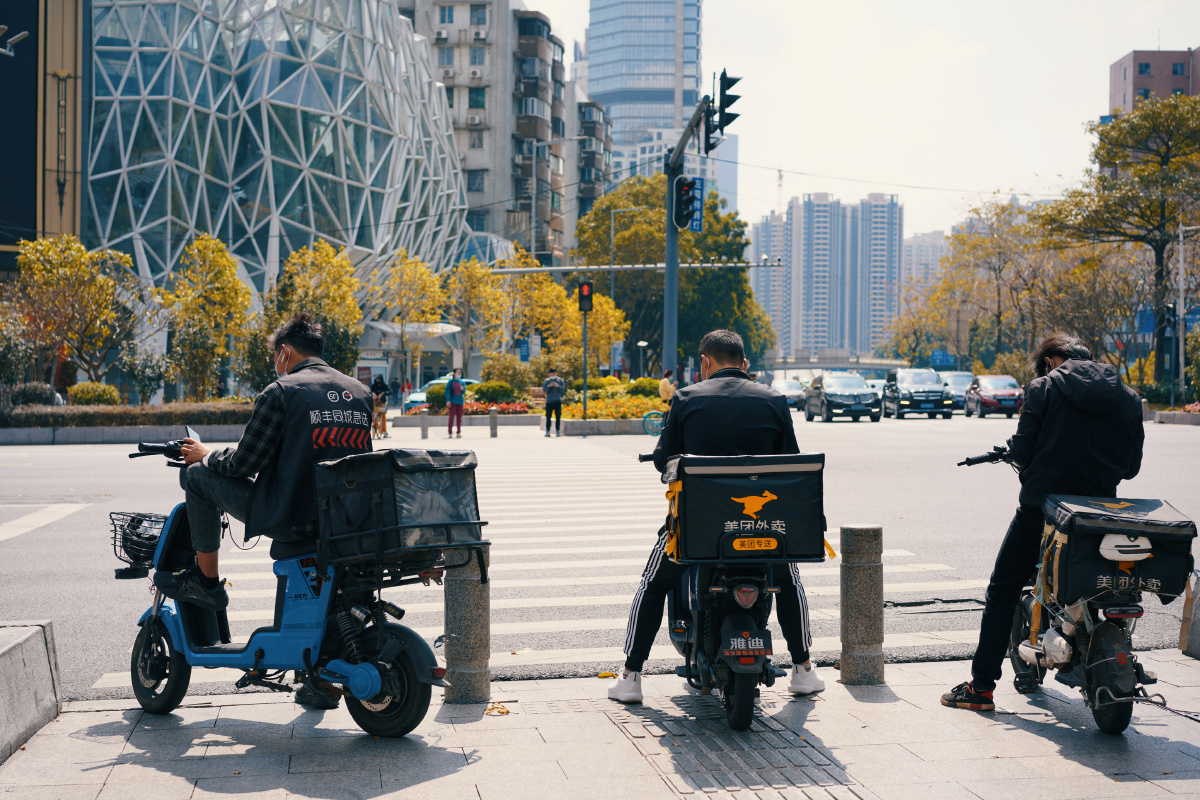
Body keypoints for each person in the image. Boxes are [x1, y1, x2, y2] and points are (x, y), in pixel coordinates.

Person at [154, 314, 372, 706]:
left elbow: (243, 463)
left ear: (285, 352)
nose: (276, 364)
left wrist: (205, 454)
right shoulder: (359, 391)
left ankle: (206, 585)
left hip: (296, 519)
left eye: (275, 357)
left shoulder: (281, 391)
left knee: (198, 478)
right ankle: (318, 679)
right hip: (346, 522)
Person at [609, 329, 825, 703]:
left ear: (705, 363)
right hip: (763, 529)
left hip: (698, 531)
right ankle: (803, 670)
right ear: (744, 365)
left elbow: (664, 460)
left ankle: (631, 676)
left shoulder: (686, 397)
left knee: (652, 584)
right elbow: (789, 461)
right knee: (789, 580)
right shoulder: (773, 400)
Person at [942, 333, 1144, 712]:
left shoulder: (1043, 388)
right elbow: (1130, 468)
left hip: (1044, 512)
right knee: (1097, 584)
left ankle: (981, 688)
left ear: (1052, 360)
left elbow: (1022, 450)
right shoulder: (1128, 397)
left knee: (1001, 592)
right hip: (1100, 514)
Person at [542, 367, 566, 437]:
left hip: (557, 400)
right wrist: (550, 386)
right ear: (549, 374)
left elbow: (563, 389)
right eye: (551, 373)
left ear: (556, 373)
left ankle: (557, 430)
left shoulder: (560, 380)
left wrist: (557, 385)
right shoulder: (547, 381)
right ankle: (548, 430)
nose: (552, 374)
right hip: (549, 401)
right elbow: (545, 390)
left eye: (554, 373)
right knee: (548, 416)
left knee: (558, 416)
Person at [446, 368, 466, 438]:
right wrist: (448, 400)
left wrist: (462, 389)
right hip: (452, 401)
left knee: (459, 418)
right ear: (454, 373)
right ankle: (450, 432)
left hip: (460, 401)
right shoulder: (450, 382)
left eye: (460, 373)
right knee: (451, 417)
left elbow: (463, 391)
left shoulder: (462, 382)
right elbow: (447, 391)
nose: (459, 374)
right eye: (458, 372)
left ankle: (458, 432)